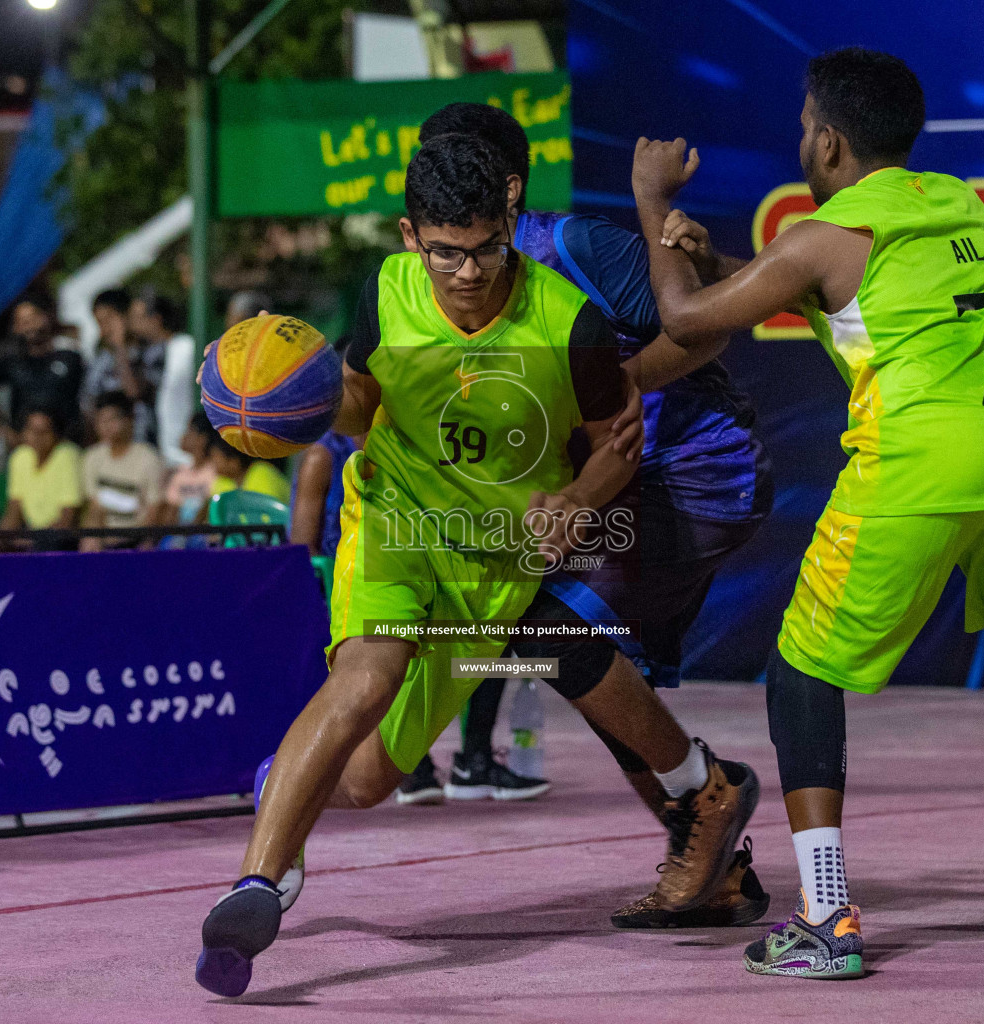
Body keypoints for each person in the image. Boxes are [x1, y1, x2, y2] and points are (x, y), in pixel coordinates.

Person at [195, 134, 757, 998]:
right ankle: (255, 887)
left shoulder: (568, 323)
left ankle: (287, 782)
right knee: (366, 682)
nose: (465, 272)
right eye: (444, 252)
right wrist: (295, 399)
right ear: (412, 235)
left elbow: (620, 438)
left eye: (485, 248)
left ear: (510, 221)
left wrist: (575, 502)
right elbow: (361, 397)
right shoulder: (386, 292)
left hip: (493, 570)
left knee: (374, 777)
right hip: (392, 527)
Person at [631, 47, 984, 979]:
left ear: (828, 142)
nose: (800, 139)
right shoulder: (958, 207)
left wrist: (652, 203)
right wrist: (727, 259)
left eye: (802, 126)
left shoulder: (824, 230)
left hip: (921, 457)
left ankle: (826, 916)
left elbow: (687, 323)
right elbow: (835, 294)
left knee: (798, 668)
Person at [395, 103, 773, 920]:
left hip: (695, 473)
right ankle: (715, 867)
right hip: (625, 486)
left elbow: (706, 332)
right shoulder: (450, 283)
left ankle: (707, 796)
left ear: (508, 188)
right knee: (587, 669)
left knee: (545, 633)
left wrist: (617, 385)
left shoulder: (570, 248)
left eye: (452, 167)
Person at [80, 390, 164, 551]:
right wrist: (96, 539)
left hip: (135, 539)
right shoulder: (92, 457)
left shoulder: (148, 458)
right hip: (104, 541)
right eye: (101, 420)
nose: (106, 426)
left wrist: (131, 540)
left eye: (112, 420)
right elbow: (95, 508)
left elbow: (154, 511)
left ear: (129, 420)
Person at [0, 291, 84, 440]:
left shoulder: (70, 358)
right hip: (25, 448)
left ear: (47, 316)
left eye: (33, 317)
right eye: (22, 321)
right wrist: (3, 428)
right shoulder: (10, 365)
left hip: (67, 443)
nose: (29, 325)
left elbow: (86, 397)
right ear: (15, 327)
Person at [0, 406, 83, 551]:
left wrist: (35, 539)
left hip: (61, 540)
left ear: (56, 433)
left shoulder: (67, 455)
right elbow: (14, 510)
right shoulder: (20, 457)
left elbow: (67, 519)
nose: (37, 436)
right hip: (32, 536)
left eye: (44, 432)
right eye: (31, 430)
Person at [127, 290, 196, 468]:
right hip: (162, 456)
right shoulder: (142, 354)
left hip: (187, 456)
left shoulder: (185, 348)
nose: (131, 324)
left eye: (136, 317)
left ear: (156, 319)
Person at [82, 288, 158, 444]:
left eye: (109, 320)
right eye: (99, 323)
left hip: (145, 444)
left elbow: (134, 392)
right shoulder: (100, 361)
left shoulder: (150, 353)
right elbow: (88, 406)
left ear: (126, 316)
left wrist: (120, 347)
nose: (105, 330)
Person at [161, 412, 219, 529]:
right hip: (180, 534)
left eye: (189, 431)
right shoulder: (181, 472)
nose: (183, 436)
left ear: (202, 439)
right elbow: (170, 515)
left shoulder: (217, 472)